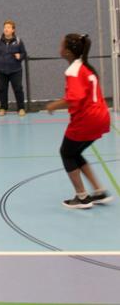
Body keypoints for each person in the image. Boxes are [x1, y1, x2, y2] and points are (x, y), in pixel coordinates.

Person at [46, 34, 113, 209]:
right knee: (74, 153)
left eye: (62, 46)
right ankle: (99, 191)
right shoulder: (86, 67)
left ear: (68, 52)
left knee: (66, 153)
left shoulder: (73, 70)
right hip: (102, 117)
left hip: (87, 119)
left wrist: (54, 105)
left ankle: (82, 197)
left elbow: (74, 98)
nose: (60, 48)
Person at [0, 19, 27, 116]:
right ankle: (3, 108)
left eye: (8, 27)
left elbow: (24, 53)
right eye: (5, 27)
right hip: (0, 71)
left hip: (16, 70)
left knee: (18, 89)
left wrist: (20, 56)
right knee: (2, 90)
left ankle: (21, 108)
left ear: (13, 30)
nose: (6, 29)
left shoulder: (18, 41)